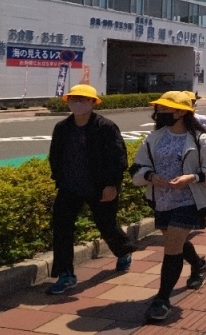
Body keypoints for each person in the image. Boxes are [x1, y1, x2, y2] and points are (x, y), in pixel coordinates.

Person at [130, 91, 206, 322]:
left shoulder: (201, 140)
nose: (158, 113)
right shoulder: (154, 138)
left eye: (164, 109)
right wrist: (150, 175)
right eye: (158, 109)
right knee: (176, 242)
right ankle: (200, 265)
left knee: (172, 246)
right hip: (162, 199)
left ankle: (162, 300)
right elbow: (136, 168)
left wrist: (191, 177)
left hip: (189, 200)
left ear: (181, 112)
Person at [46, 84, 138, 295]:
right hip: (70, 187)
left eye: (83, 100)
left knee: (106, 224)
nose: (77, 103)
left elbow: (118, 158)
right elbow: (55, 156)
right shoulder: (62, 127)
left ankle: (123, 251)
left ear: (93, 103)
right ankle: (66, 275)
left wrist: (112, 185)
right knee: (62, 228)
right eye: (73, 99)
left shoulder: (105, 127)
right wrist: (58, 178)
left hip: (100, 187)